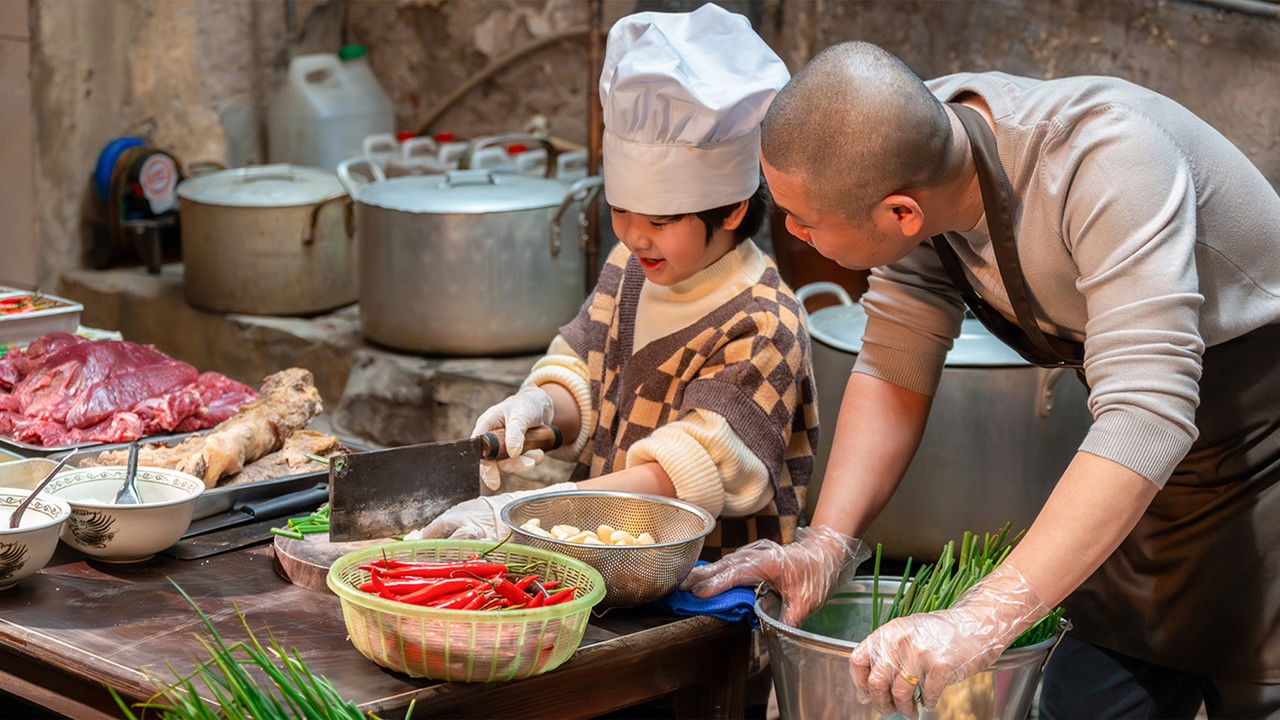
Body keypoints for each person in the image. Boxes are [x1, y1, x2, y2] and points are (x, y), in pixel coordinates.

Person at [682, 40, 1280, 719]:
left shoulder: (1107, 163)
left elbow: (1147, 416)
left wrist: (982, 613)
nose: (790, 231)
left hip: (1262, 454)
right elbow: (894, 359)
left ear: (900, 213)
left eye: (805, 223)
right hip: (1152, 481)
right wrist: (828, 541)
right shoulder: (910, 149)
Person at [422, 3, 821, 561]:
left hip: (704, 590)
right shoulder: (631, 267)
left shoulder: (763, 324)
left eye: (659, 221)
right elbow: (583, 373)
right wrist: (538, 407)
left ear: (731, 210)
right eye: (620, 210)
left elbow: (683, 475)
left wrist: (530, 511)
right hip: (604, 565)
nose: (634, 236)